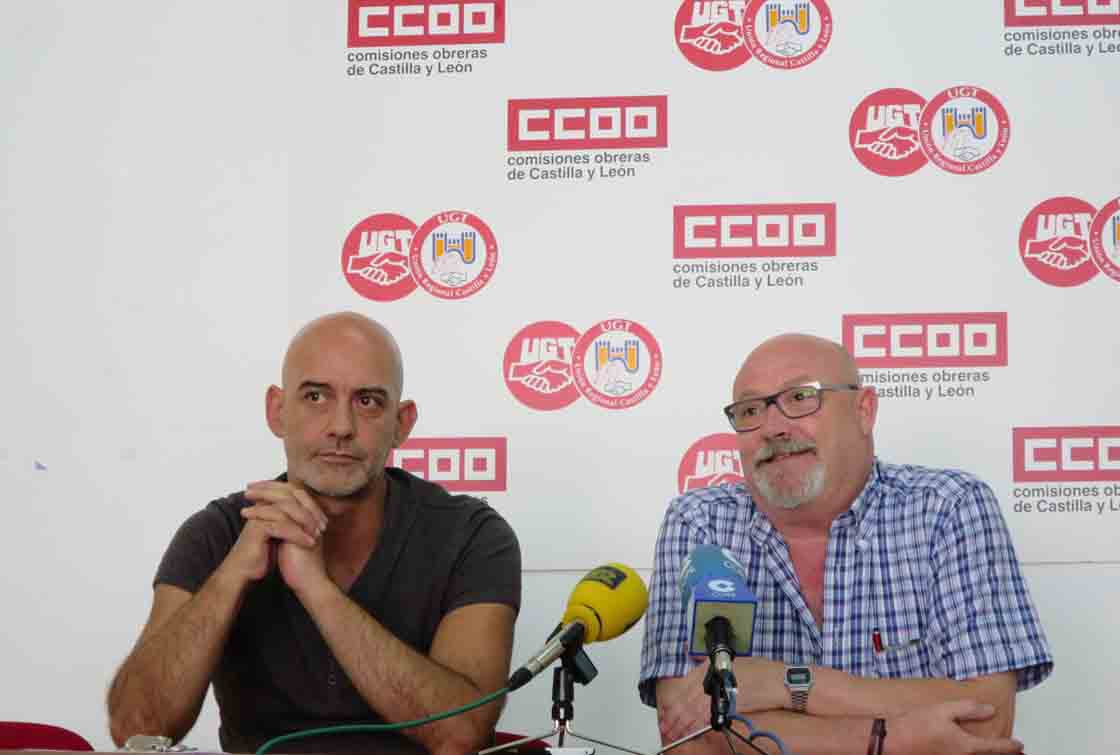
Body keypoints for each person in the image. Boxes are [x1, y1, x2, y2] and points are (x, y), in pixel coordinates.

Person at [107, 312, 521, 755]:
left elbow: (460, 733)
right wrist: (232, 575)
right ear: (277, 411)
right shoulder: (218, 533)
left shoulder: (471, 535)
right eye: (316, 396)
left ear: (402, 423)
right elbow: (136, 726)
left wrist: (316, 588)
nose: (341, 426)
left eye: (367, 401)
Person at [639, 334, 1052, 755]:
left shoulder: (948, 507)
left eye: (800, 397)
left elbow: (986, 718)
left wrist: (786, 683)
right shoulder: (700, 523)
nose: (774, 427)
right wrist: (891, 739)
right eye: (750, 410)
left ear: (863, 410)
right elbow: (687, 734)